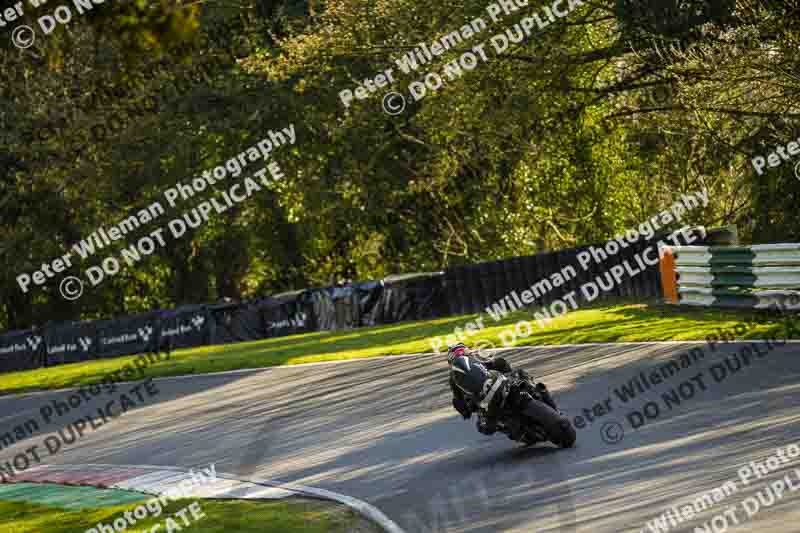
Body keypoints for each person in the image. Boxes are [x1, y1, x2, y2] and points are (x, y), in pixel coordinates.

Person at [447, 343, 558, 436]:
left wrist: (467, 410)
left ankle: (538, 395)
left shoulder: (461, 374)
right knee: (484, 426)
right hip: (492, 403)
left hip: (500, 391)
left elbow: (462, 407)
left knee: (524, 378)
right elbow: (503, 364)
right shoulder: (472, 366)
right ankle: (515, 428)